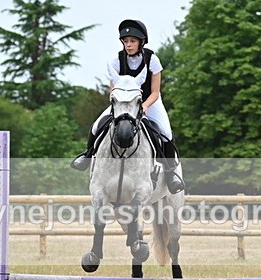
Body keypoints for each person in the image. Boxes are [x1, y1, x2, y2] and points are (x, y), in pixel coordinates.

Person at [71, 19, 185, 194]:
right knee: (96, 126)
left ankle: (171, 174)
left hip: (149, 101)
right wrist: (119, 103)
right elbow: (112, 91)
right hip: (123, 102)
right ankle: (87, 156)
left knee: (166, 132)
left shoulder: (152, 60)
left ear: (141, 42)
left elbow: (155, 92)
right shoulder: (117, 61)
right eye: (125, 41)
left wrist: (144, 106)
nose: (129, 45)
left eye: (132, 41)